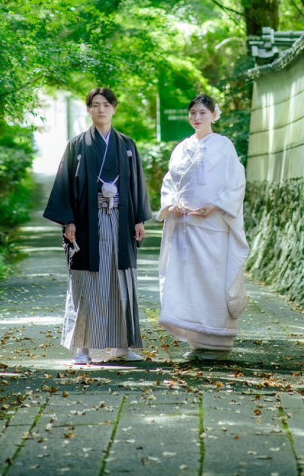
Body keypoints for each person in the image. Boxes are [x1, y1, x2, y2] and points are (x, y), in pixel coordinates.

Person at [43, 86, 153, 365]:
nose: (101, 109)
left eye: (106, 104)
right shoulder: (77, 145)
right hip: (87, 223)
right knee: (86, 283)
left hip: (120, 220)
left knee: (120, 281)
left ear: (114, 108)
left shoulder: (127, 145)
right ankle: (82, 348)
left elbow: (136, 184)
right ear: (89, 109)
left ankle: (121, 346)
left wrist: (139, 218)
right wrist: (69, 221)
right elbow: (65, 185)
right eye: (95, 104)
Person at [157, 94, 249, 356]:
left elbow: (236, 182)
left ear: (213, 115)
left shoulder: (224, 146)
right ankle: (196, 340)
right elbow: (170, 182)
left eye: (202, 113)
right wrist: (172, 204)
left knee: (212, 280)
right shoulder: (181, 148)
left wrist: (217, 205)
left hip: (212, 227)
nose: (197, 118)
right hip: (186, 226)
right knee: (189, 282)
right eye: (193, 113)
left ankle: (218, 341)